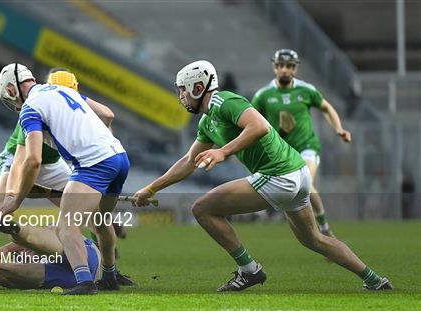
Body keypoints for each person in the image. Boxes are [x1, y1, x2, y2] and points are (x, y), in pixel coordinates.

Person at [133, 60, 391, 292]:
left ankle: (249, 270)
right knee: (313, 239)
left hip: (279, 175)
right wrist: (152, 188)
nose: (180, 96)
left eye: (182, 89)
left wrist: (222, 152)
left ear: (198, 87)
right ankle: (374, 280)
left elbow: (259, 126)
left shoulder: (225, 101)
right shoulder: (207, 123)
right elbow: (188, 162)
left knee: (202, 208)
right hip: (297, 173)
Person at [0, 69, 131, 291]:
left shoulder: (32, 107)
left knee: (72, 223)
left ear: (10, 90)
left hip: (66, 164)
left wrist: (18, 199)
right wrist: (12, 196)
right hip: (107, 157)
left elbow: (33, 161)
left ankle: (88, 280)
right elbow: (22, 161)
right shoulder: (61, 95)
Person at [252, 49, 352, 237]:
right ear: (274, 67)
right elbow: (251, 121)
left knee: (305, 182)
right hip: (281, 153)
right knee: (295, 191)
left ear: (295, 69)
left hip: (307, 147)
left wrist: (338, 128)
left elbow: (326, 107)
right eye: (280, 65)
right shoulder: (263, 96)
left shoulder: (305, 90)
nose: (284, 70)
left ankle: (323, 227)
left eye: (289, 66)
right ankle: (310, 230)